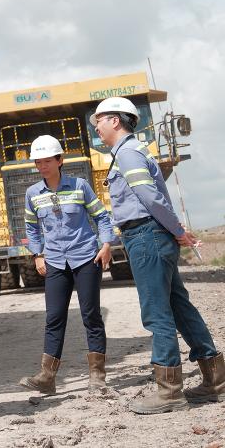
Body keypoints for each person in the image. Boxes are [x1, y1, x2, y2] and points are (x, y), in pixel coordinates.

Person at [92, 97, 224, 412]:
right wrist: (173, 229)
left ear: (115, 121)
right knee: (178, 306)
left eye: (99, 119)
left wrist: (177, 230)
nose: (95, 125)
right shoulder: (132, 152)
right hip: (153, 233)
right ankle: (216, 379)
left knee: (157, 313)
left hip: (146, 235)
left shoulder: (127, 154)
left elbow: (149, 196)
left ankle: (169, 393)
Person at [18, 135, 116, 395]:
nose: (42, 166)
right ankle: (47, 377)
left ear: (60, 160)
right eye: (38, 162)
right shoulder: (33, 194)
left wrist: (106, 244)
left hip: (86, 257)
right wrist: (37, 254)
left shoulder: (79, 186)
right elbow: (31, 227)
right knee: (53, 318)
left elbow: (101, 217)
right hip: (55, 262)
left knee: (91, 316)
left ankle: (97, 376)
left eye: (47, 161)